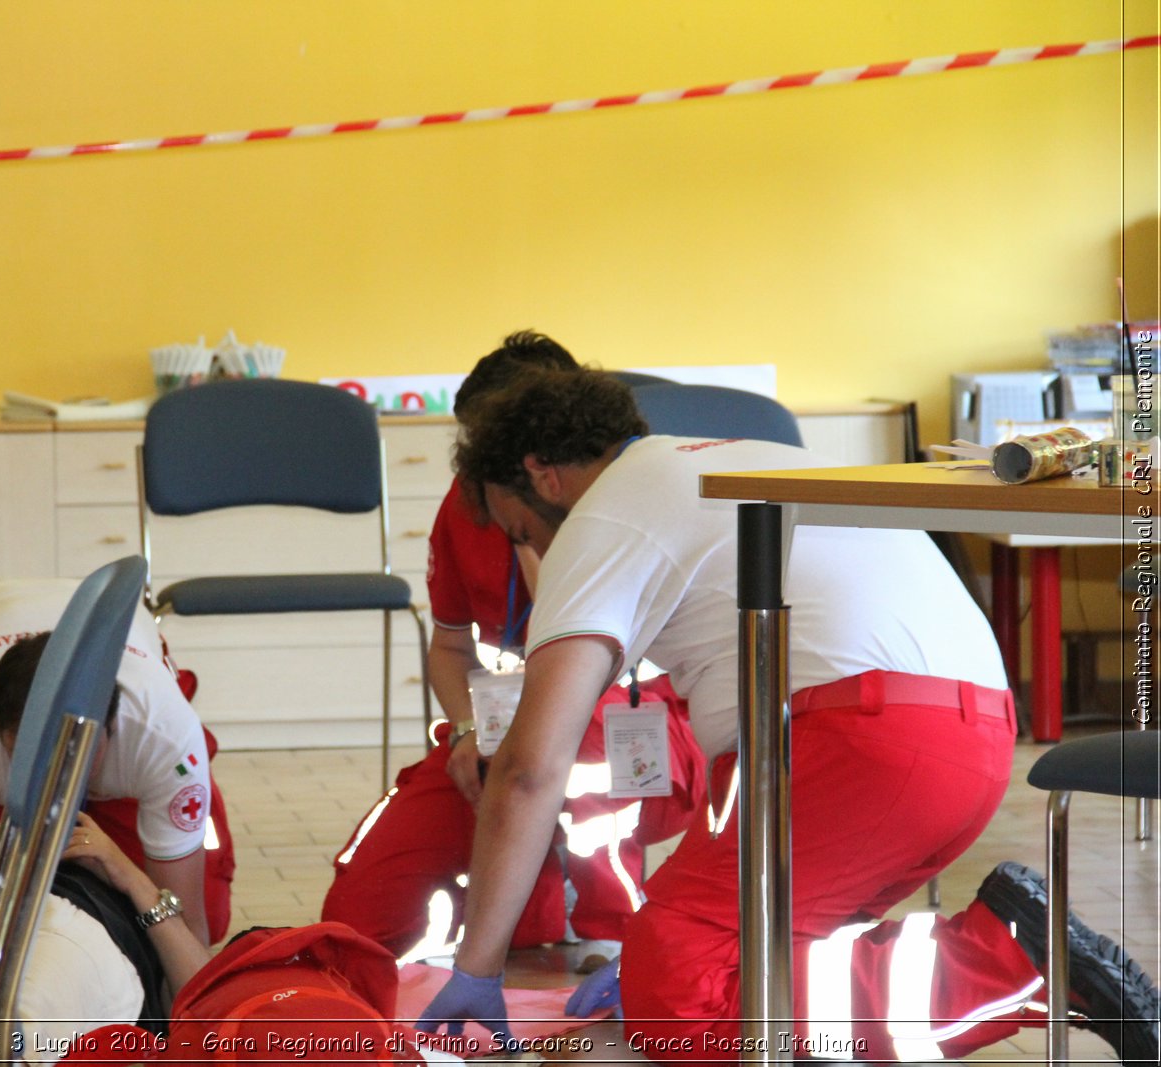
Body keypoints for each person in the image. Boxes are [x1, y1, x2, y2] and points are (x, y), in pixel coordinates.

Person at [416, 364, 1159, 1063]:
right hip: (969, 738)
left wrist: (477, 968)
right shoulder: (740, 453)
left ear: (542, 474)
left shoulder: (603, 513)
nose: (535, 549)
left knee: (679, 998)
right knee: (732, 956)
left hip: (865, 743)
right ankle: (998, 958)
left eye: (522, 529)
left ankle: (1015, 961)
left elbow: (528, 767)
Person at [323, 332, 704, 956]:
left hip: (633, 739)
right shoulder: (467, 506)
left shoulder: (617, 507)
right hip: (499, 740)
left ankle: (603, 935)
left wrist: (531, 540)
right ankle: (515, 923)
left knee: (564, 773)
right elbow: (450, 650)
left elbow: (568, 639)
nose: (475, 477)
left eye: (493, 458)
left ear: (540, 462)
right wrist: (469, 730)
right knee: (363, 914)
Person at [0, 578, 234, 945]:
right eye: (33, 758)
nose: (58, 778)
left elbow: (189, 921)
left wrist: (135, 885)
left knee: (204, 903)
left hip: (133, 709)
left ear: (113, 725)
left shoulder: (163, 736)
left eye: (78, 756)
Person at [0, 810, 211, 1066]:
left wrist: (133, 880)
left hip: (72, 924)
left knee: (20, 1025)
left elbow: (208, 1000)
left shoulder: (112, 893)